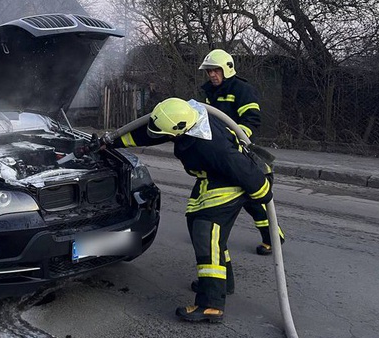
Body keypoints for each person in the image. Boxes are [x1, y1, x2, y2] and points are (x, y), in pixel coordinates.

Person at [111, 98, 273, 322]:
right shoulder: (187, 116)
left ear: (179, 129)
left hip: (232, 182)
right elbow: (151, 133)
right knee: (204, 228)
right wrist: (111, 142)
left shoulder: (212, 145)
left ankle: (211, 304)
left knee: (206, 232)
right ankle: (222, 284)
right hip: (214, 178)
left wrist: (262, 193)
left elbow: (244, 170)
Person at [198, 48, 284, 256]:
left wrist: (234, 139)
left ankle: (273, 237)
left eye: (215, 70)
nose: (212, 75)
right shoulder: (209, 91)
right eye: (209, 71)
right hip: (217, 151)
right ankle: (203, 231)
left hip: (237, 152)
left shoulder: (242, 90)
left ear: (227, 69)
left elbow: (252, 120)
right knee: (216, 193)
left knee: (252, 197)